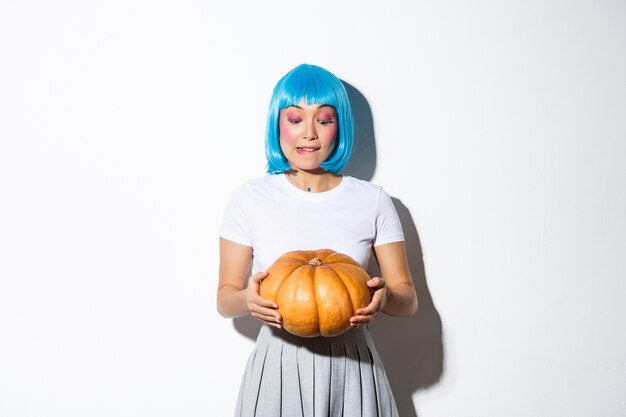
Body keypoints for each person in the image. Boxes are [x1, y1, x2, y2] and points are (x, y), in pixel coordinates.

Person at [217, 63, 418, 417]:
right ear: (277, 124)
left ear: (339, 127)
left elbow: (408, 298)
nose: (308, 133)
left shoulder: (373, 200)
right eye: (295, 119)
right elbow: (224, 298)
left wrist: (385, 297)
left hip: (354, 365)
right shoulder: (249, 198)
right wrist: (248, 300)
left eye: (323, 120)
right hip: (277, 363)